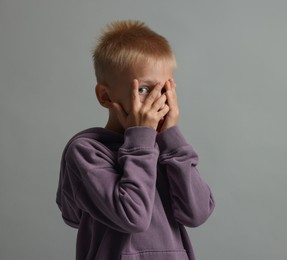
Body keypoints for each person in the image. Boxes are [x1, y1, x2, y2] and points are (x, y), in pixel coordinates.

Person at [56, 20, 215, 260]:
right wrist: (140, 140)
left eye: (164, 90)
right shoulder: (86, 151)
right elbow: (133, 217)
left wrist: (171, 138)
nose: (157, 101)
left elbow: (197, 213)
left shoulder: (166, 148)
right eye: (144, 89)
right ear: (105, 96)